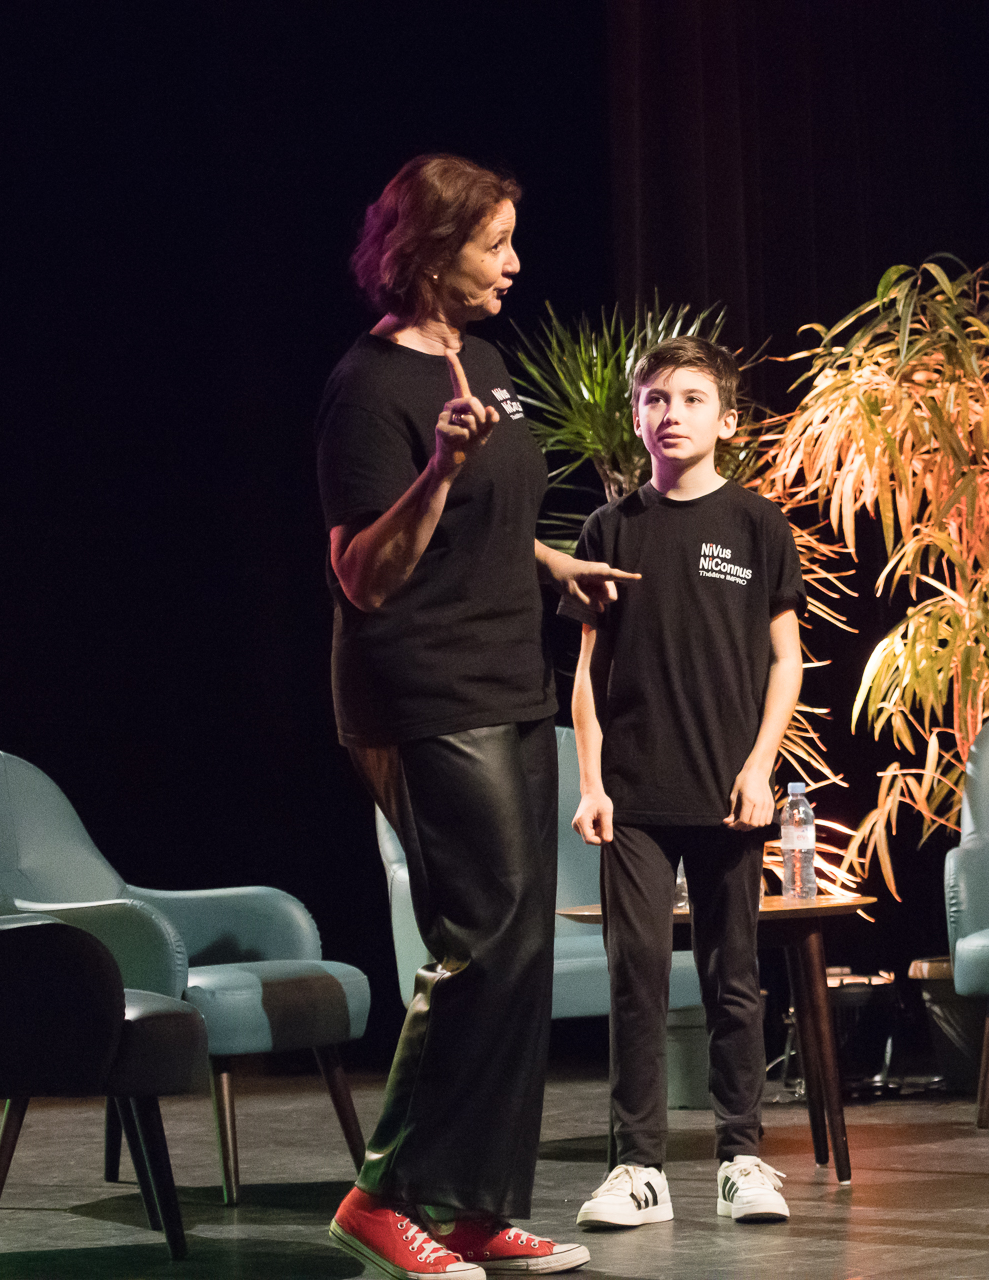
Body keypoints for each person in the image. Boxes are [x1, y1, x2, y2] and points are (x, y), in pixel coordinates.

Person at [317, 153, 629, 1278]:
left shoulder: (485, 361)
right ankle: (382, 1195)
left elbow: (486, 521)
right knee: (478, 941)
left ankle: (473, 1207)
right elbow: (364, 573)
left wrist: (551, 563)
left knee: (521, 946)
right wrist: (440, 467)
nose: (513, 263)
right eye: (493, 244)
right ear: (428, 253)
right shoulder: (366, 388)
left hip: (507, 675)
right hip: (422, 688)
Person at [567, 335, 805, 1229]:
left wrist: (761, 766)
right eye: (657, 399)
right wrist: (591, 783)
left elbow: (786, 660)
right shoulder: (610, 529)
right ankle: (638, 1169)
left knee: (733, 977)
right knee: (635, 977)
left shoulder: (756, 525)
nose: (673, 414)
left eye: (693, 399)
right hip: (631, 797)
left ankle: (742, 1158)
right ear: (637, 417)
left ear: (727, 419)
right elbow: (586, 673)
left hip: (727, 791)